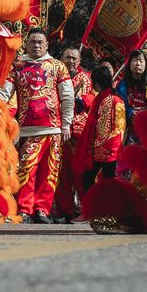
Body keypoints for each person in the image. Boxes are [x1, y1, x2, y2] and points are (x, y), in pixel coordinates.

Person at [11, 29, 74, 223]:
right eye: (32, 42)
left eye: (40, 42)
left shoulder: (58, 67)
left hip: (53, 129)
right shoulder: (18, 67)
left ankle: (42, 209)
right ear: (26, 44)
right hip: (27, 129)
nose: (36, 46)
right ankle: (25, 209)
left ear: (47, 45)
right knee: (26, 170)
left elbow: (68, 97)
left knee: (50, 172)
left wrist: (66, 124)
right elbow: (4, 94)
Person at [55, 44, 95, 221]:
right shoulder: (55, 74)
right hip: (57, 128)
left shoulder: (86, 77)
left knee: (80, 173)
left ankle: (88, 209)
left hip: (78, 132)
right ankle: (65, 211)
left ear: (79, 60)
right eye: (67, 57)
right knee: (61, 173)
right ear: (61, 59)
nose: (70, 61)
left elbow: (93, 98)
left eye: (74, 58)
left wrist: (82, 99)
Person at [87, 64, 124, 184]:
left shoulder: (113, 100)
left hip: (108, 151)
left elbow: (112, 129)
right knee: (92, 178)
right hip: (102, 149)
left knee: (105, 181)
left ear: (97, 83)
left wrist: (97, 146)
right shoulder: (102, 98)